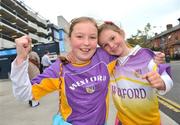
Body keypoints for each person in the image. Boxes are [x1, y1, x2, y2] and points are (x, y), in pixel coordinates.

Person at [10, 17, 168, 125]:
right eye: (79, 36)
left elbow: (125, 51)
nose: (86, 43)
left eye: (92, 37)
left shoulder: (104, 57)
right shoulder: (59, 68)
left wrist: (154, 57)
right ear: (69, 39)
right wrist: (20, 60)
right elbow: (25, 94)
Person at [97, 22, 173, 125]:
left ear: (122, 33)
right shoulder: (109, 63)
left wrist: (162, 83)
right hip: (122, 121)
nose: (111, 45)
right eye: (105, 45)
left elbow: (167, 79)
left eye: (112, 38)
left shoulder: (146, 56)